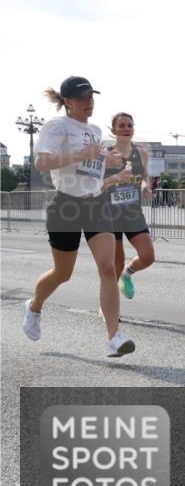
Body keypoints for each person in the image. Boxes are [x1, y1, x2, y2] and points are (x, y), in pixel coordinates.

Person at [21, 77, 136, 357]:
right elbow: (42, 163)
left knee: (107, 268)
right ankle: (34, 306)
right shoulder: (56, 126)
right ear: (67, 102)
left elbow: (89, 169)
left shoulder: (96, 130)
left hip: (95, 204)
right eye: (83, 98)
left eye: (91, 97)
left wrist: (105, 162)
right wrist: (80, 154)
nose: (89, 102)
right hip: (66, 205)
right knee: (63, 273)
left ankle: (114, 337)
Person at [102, 112, 155, 300]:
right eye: (122, 125)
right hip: (110, 214)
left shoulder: (140, 152)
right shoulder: (106, 154)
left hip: (133, 213)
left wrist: (145, 186)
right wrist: (116, 178)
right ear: (113, 130)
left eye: (130, 125)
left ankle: (128, 273)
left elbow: (144, 176)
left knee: (148, 256)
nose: (126, 129)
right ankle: (109, 307)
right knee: (115, 264)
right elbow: (96, 185)